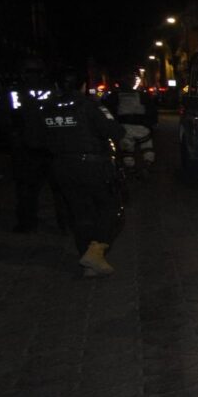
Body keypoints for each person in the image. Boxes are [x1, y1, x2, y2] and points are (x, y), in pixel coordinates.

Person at [33, 68, 125, 276]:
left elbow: (35, 139)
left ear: (55, 86)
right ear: (84, 85)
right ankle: (96, 249)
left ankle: (88, 259)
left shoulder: (45, 109)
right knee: (111, 209)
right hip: (93, 166)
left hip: (62, 167)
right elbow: (116, 131)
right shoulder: (90, 106)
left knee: (80, 212)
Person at [0, 58, 64, 233]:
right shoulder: (53, 91)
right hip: (47, 146)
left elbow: (2, 119)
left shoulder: (13, 92)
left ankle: (28, 223)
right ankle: (64, 223)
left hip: (26, 147)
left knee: (27, 188)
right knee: (57, 188)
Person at [106, 84, 158, 172]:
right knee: (147, 147)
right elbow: (152, 110)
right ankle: (147, 165)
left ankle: (130, 168)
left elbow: (109, 111)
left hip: (124, 128)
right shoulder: (142, 95)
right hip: (142, 127)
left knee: (127, 150)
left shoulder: (114, 96)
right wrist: (151, 124)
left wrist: (113, 126)